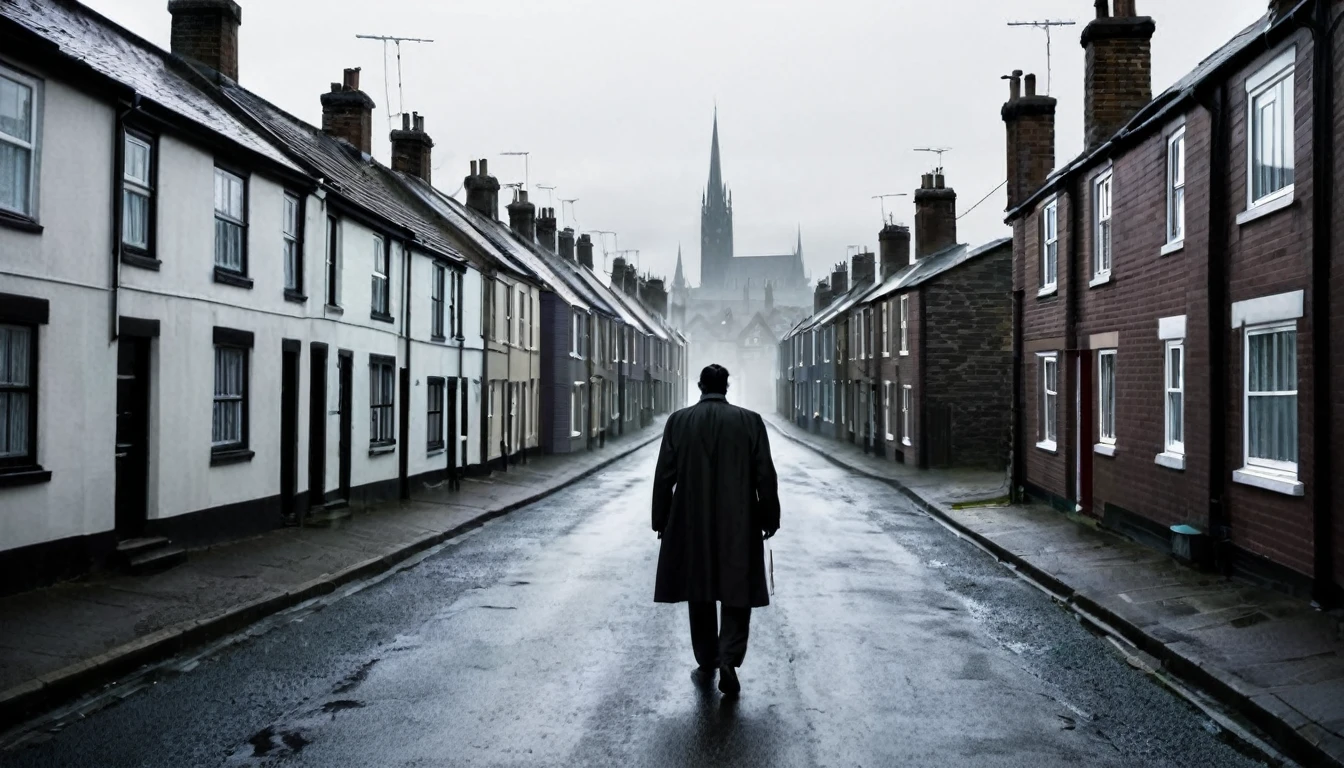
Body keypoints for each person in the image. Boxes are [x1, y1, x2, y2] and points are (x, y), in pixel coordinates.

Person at [651, 364, 780, 695]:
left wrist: (660, 519)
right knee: (738, 590)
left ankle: (707, 657)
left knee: (700, 588)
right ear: (726, 387)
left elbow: (664, 475)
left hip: (691, 519)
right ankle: (729, 659)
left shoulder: (678, 422)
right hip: (740, 519)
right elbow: (765, 474)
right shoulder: (750, 421)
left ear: (700, 386)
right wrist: (769, 517)